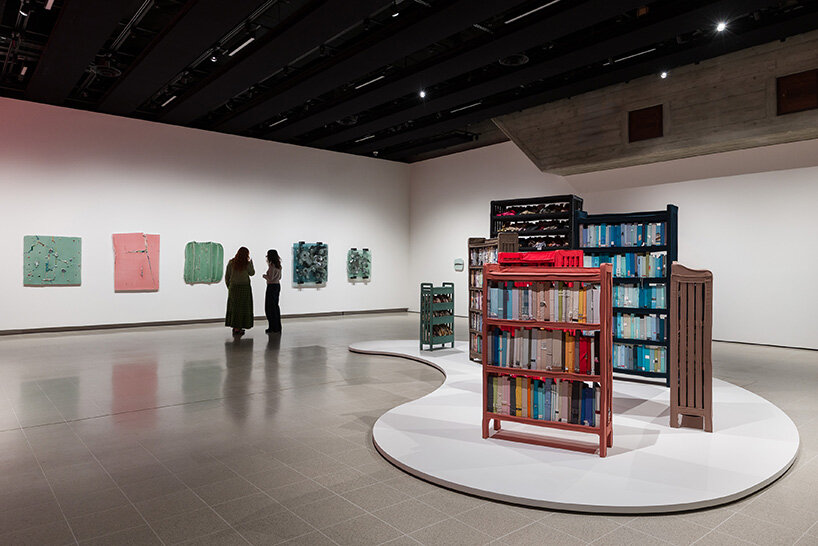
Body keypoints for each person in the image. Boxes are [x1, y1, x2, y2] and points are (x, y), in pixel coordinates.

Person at [225, 247, 255, 336]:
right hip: (245, 287)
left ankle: (235, 327)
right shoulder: (246, 263)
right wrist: (251, 264)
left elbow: (227, 276)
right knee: (243, 308)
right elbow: (252, 273)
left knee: (234, 308)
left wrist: (230, 287)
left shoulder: (231, 262)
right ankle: (240, 327)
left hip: (234, 288)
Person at [262, 249, 282, 334]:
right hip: (277, 286)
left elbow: (270, 278)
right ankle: (277, 327)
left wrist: (264, 276)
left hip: (271, 286)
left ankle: (272, 327)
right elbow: (279, 277)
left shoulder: (272, 265)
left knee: (269, 308)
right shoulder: (279, 265)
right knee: (275, 307)